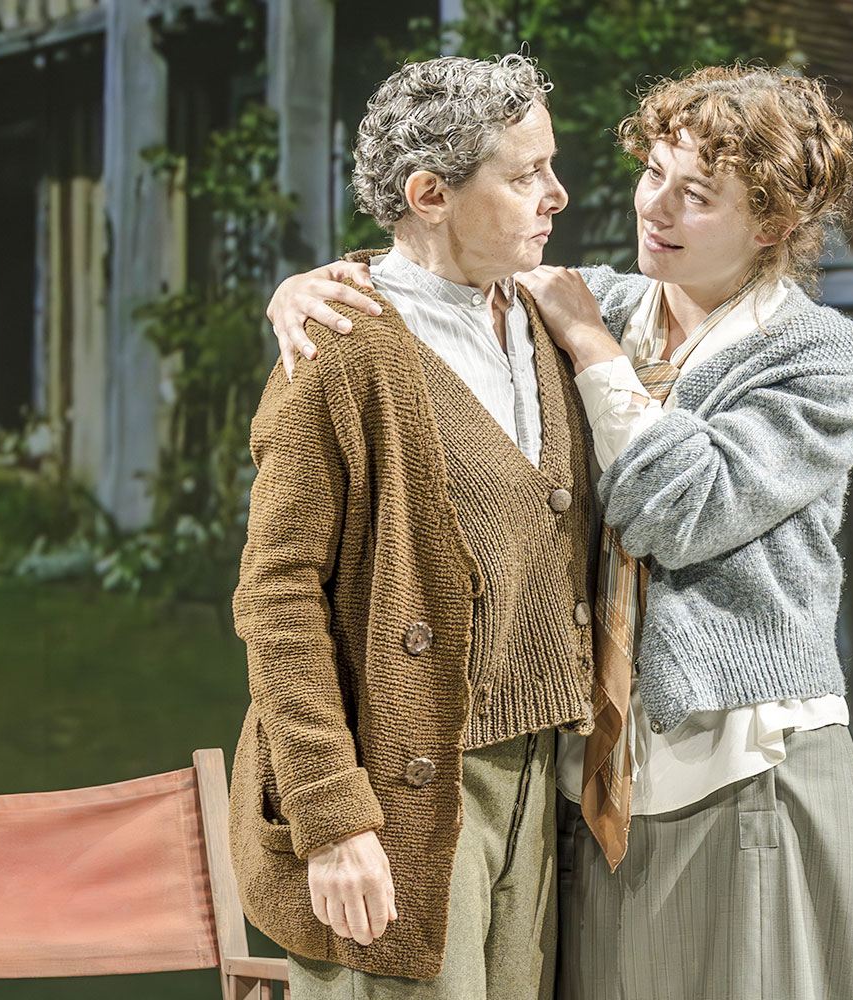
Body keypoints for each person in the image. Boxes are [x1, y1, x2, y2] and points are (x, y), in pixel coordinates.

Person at [265, 64, 853, 1000]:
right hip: (582, 776)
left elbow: (681, 509)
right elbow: (435, 262)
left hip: (736, 760)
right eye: (655, 175)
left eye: (698, 195)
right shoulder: (601, 298)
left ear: (773, 226)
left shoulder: (815, 356)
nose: (656, 208)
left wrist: (596, 353)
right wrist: (307, 288)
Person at [229, 54, 599, 1000]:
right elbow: (277, 598)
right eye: (525, 176)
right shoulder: (338, 350)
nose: (557, 194)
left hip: (525, 777)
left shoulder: (542, 313)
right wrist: (331, 817)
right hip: (395, 787)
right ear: (429, 192)